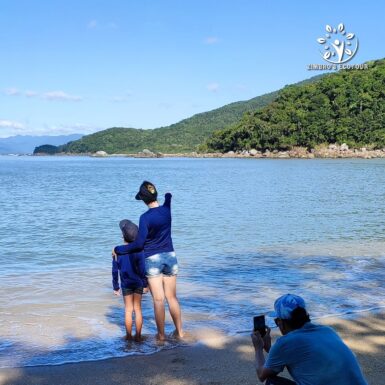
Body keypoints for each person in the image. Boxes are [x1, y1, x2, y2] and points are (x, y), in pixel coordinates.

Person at [113, 181, 183, 341]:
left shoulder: (145, 218)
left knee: (158, 299)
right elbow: (168, 198)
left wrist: (119, 249)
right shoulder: (167, 210)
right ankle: (180, 332)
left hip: (153, 259)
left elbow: (139, 244)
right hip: (170, 256)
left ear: (143, 200)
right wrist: (168, 195)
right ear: (155, 195)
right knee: (172, 298)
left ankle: (161, 335)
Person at [251, 294, 368, 385]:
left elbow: (262, 375)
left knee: (272, 382)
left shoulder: (286, 343)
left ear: (280, 322)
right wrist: (270, 349)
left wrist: (258, 348)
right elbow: (301, 355)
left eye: (277, 321)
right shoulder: (327, 331)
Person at [112, 219, 148, 342]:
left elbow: (114, 270)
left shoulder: (117, 251)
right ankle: (138, 336)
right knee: (138, 309)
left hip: (126, 283)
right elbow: (143, 269)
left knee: (128, 310)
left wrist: (116, 287)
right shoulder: (139, 251)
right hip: (138, 282)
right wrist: (145, 284)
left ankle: (128, 336)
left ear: (123, 236)